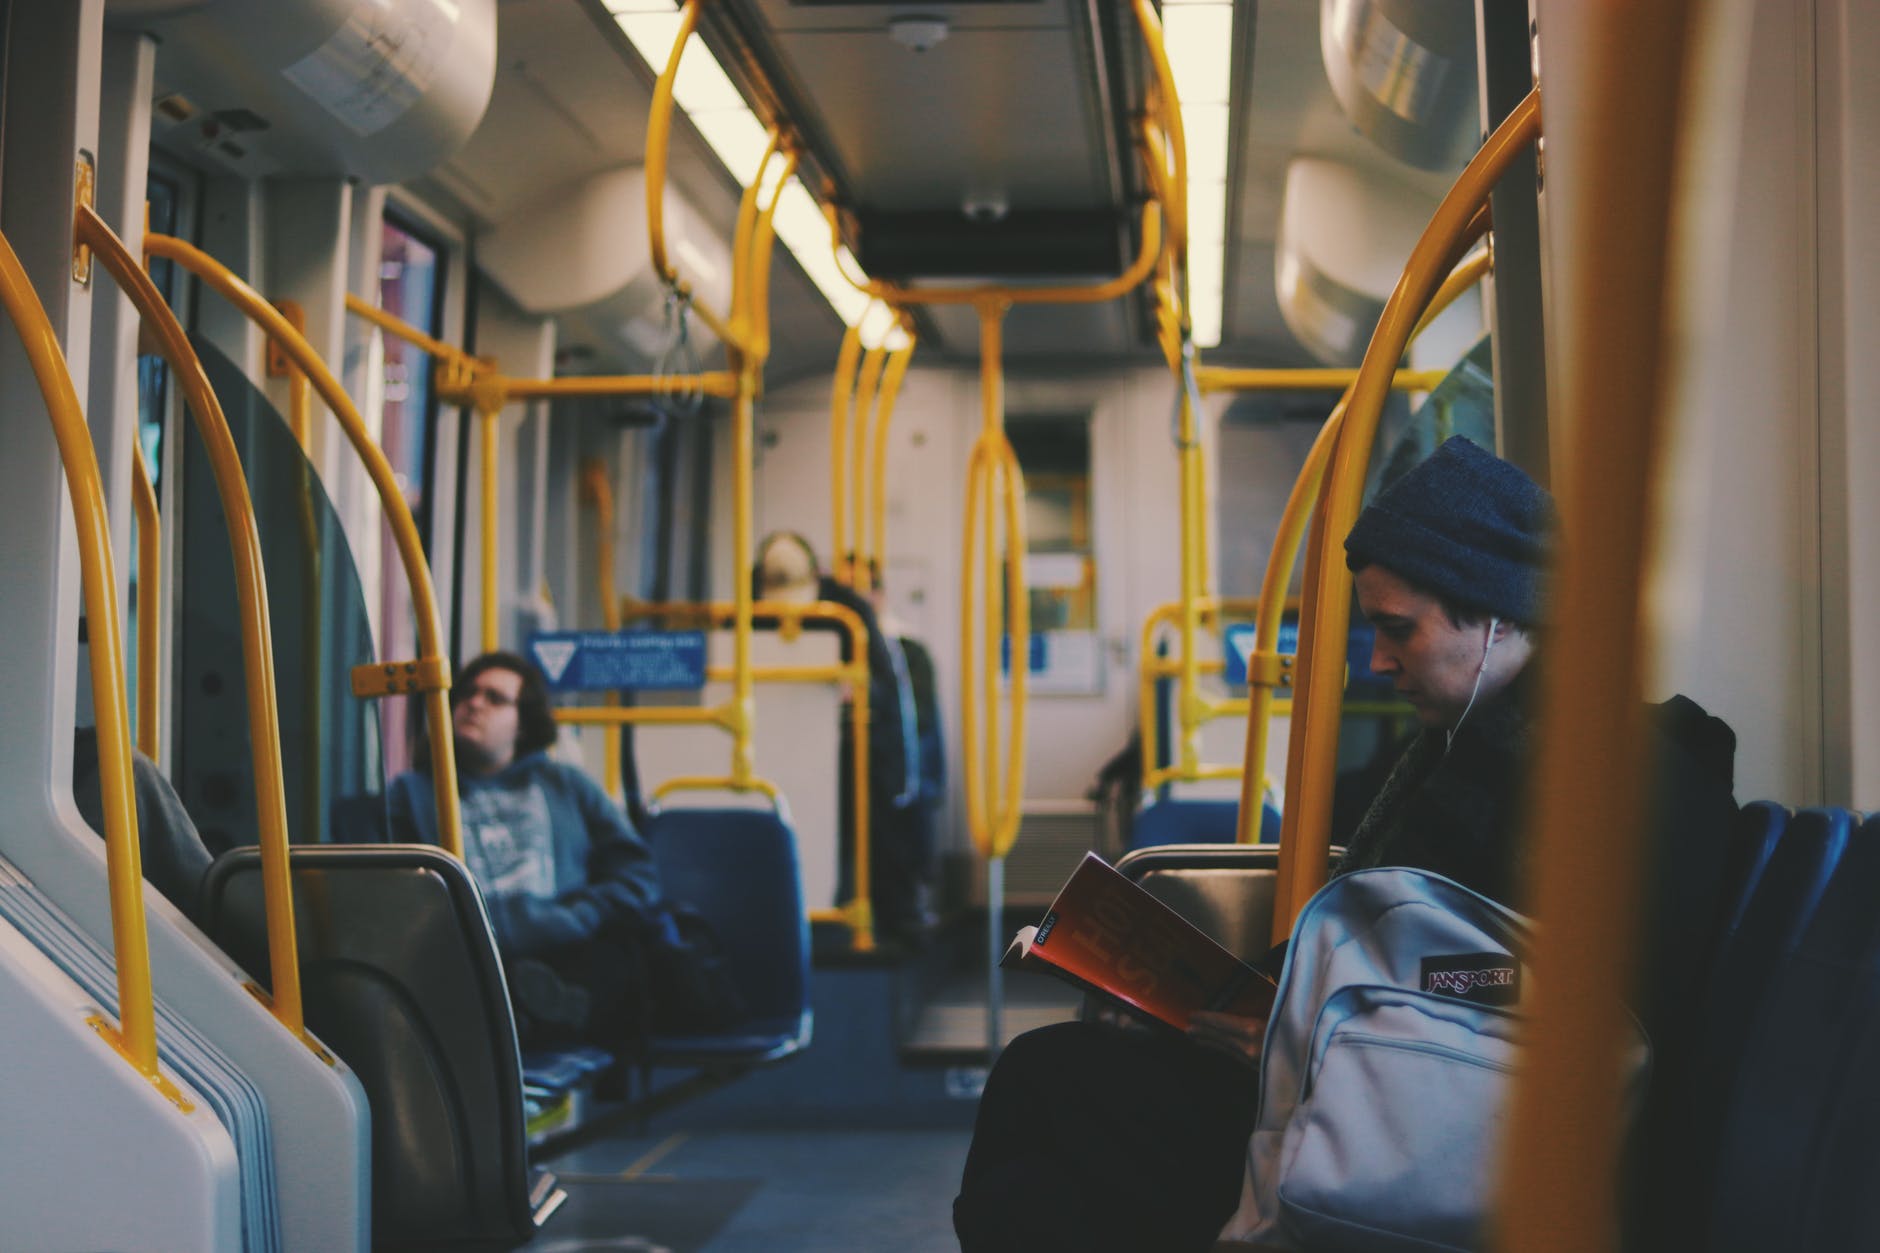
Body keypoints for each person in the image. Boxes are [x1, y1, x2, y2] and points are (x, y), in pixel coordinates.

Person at [953, 437, 1737, 1252]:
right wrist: (1266, 1001)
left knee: (1047, 1096)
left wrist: (1309, 1024)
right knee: (1046, 1101)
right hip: (1362, 1074)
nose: (1379, 659)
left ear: (1498, 613)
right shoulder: (1461, 754)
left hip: (1430, 1121)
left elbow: (1569, 1004)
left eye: (1399, 629)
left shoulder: (1612, 781)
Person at [387, 651, 671, 1049]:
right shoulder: (413, 794)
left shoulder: (567, 787)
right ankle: (524, 1015)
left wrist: (581, 915)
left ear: (523, 724)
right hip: (460, 952)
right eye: (467, 693)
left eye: (495, 698)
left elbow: (638, 876)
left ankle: (530, 1013)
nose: (474, 703)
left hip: (559, 949)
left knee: (594, 966)